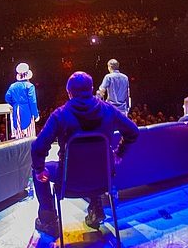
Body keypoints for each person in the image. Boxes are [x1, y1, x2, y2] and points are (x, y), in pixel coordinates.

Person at [31, 71, 139, 237]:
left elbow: (38, 147)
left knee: (38, 171)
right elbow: (133, 131)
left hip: (69, 181)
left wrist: (39, 169)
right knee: (93, 164)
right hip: (103, 179)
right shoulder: (108, 109)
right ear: (92, 89)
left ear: (69, 93)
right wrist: (119, 153)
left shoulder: (60, 114)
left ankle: (48, 220)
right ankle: (96, 209)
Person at [5, 63, 40, 139]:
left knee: (18, 138)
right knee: (30, 137)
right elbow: (32, 102)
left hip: (15, 111)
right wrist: (36, 115)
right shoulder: (29, 86)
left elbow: (7, 98)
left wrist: (14, 104)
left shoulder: (12, 86)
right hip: (26, 111)